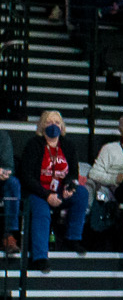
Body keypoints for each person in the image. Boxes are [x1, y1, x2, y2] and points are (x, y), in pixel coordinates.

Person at [22, 110, 90, 265]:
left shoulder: (68, 146)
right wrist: (47, 195)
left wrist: (69, 187)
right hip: (37, 192)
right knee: (42, 212)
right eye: (49, 122)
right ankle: (40, 256)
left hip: (59, 191)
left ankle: (73, 239)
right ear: (42, 125)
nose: (54, 125)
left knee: (81, 194)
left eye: (57, 122)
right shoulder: (33, 145)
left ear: (62, 126)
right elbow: (26, 176)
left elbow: (73, 172)